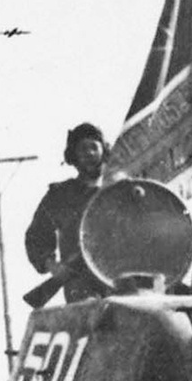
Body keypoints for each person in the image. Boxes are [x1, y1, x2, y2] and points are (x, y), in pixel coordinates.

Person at [25, 123, 111, 303]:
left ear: (103, 151)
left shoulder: (118, 190)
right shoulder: (61, 195)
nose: (89, 153)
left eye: (94, 147)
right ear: (74, 156)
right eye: (83, 149)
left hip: (120, 281)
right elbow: (36, 236)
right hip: (81, 287)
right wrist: (53, 266)